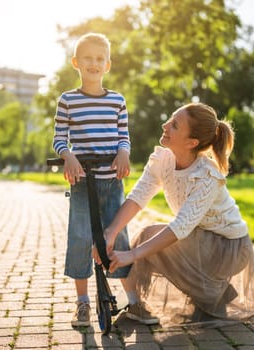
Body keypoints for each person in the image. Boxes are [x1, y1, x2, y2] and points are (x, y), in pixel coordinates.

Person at [104, 102, 254, 326]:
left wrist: (132, 255)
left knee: (149, 239)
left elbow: (180, 228)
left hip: (230, 248)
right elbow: (138, 196)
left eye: (174, 125)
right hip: (200, 239)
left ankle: (211, 293)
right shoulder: (162, 159)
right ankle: (215, 294)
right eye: (170, 119)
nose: (165, 125)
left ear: (192, 142)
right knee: (149, 238)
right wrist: (111, 231)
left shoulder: (206, 176)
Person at [52, 32, 158, 327]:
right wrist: (68, 156)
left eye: (100, 59)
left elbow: (124, 136)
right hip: (82, 181)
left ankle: (133, 302)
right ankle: (82, 303)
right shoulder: (68, 100)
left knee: (118, 239)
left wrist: (124, 152)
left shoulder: (117, 101)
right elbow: (59, 139)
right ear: (76, 62)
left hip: (112, 180)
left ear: (108, 65)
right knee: (80, 237)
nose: (94, 63)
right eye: (88, 58)